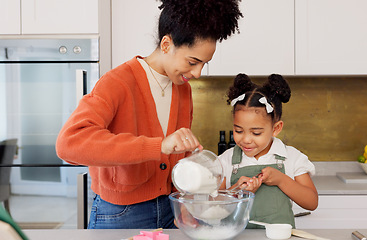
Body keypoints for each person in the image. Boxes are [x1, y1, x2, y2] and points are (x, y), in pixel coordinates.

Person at [55, 0, 242, 229]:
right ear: (166, 44)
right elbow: (69, 144)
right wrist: (159, 146)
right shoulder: (116, 83)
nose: (197, 73)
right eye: (193, 62)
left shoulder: (183, 90)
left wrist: (183, 201)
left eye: (204, 63)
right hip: (121, 214)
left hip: (169, 209)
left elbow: (176, 157)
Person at [219, 73, 319, 228]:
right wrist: (236, 190)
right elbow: (213, 206)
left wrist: (281, 180)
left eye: (256, 133)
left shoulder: (291, 157)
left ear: (276, 128)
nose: (246, 139)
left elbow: (311, 202)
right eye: (238, 131)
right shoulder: (226, 160)